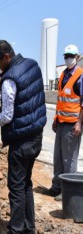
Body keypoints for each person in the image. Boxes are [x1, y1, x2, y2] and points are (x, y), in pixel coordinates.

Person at [0, 40, 47, 234]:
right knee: (26, 184)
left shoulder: (9, 80)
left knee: (16, 187)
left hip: (21, 140)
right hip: (36, 136)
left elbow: (7, 115)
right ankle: (29, 229)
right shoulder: (32, 65)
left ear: (6, 57)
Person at [44, 44, 83, 201]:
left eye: (71, 56)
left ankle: (67, 191)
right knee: (58, 157)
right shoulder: (64, 75)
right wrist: (55, 119)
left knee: (70, 159)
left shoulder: (80, 76)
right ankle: (56, 187)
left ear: (77, 57)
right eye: (66, 56)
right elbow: (61, 100)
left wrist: (79, 123)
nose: (68, 58)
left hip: (73, 124)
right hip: (61, 122)